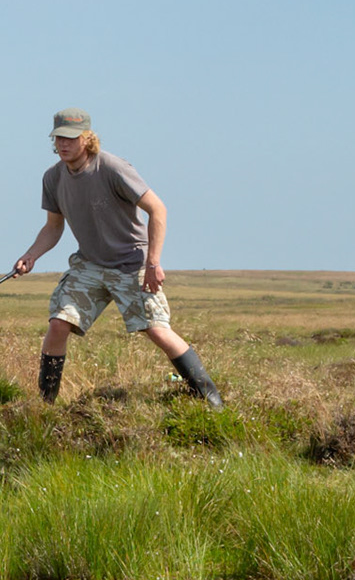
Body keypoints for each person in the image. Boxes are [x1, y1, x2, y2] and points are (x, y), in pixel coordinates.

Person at [13, 109, 221, 405]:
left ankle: (211, 401)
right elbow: (53, 227)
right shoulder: (53, 178)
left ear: (87, 138)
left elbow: (157, 209)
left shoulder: (112, 168)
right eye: (58, 138)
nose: (63, 144)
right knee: (59, 323)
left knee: (157, 331)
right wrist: (30, 256)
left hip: (131, 264)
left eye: (70, 138)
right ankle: (44, 405)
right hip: (89, 264)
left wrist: (153, 263)